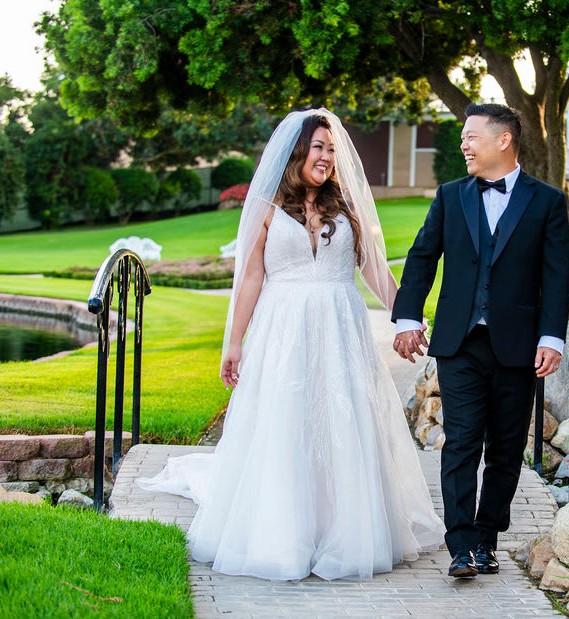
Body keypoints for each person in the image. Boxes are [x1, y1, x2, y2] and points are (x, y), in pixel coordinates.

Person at [138, 109, 444, 581]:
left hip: (341, 330)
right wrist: (233, 343)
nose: (325, 157)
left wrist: (407, 318)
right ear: (297, 152)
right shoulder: (266, 207)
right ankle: (284, 534)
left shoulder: (348, 208)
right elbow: (251, 277)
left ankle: (344, 530)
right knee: (287, 422)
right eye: (318, 147)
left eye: (331, 149)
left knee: (342, 422)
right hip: (283, 333)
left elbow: (375, 271)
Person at [392, 103, 569, 578]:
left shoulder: (548, 201)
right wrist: (407, 317)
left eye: (471, 136)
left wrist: (552, 337)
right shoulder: (451, 196)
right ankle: (461, 544)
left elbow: (557, 277)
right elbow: (422, 255)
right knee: (461, 443)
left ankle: (488, 539)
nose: (464, 145)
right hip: (460, 342)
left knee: (507, 448)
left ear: (504, 140)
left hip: (518, 345)